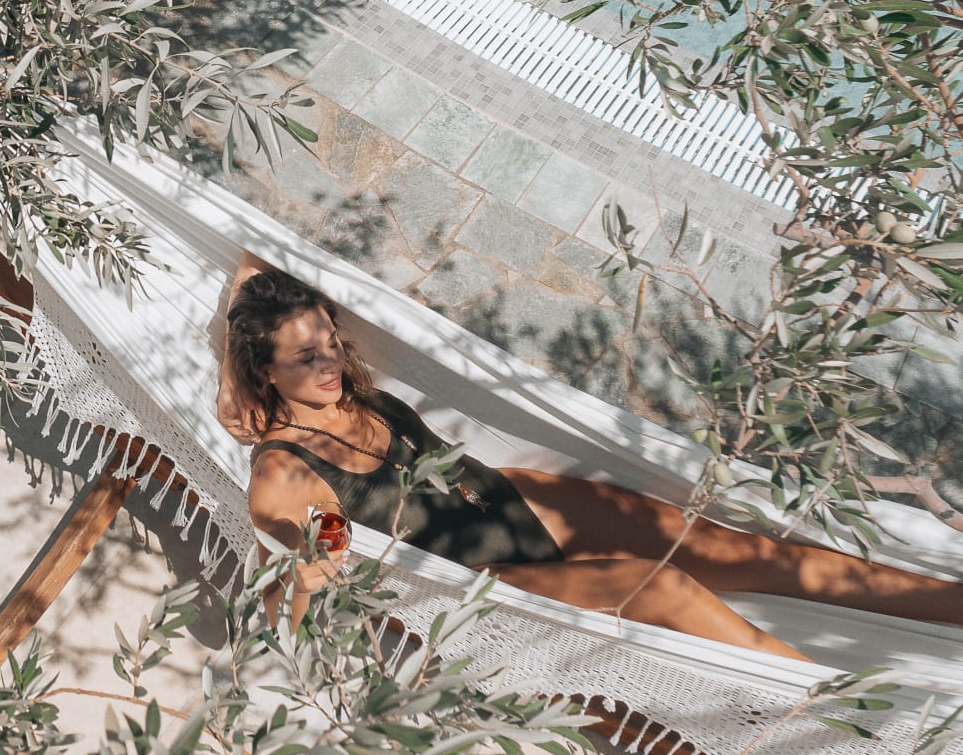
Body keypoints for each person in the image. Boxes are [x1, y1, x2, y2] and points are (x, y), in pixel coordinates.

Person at [218, 253, 963, 659]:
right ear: (268, 369)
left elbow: (250, 260)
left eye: (330, 342)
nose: (330, 364)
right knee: (661, 588)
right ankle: (838, 717)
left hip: (519, 500)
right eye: (305, 358)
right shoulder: (283, 468)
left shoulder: (321, 381)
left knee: (757, 554)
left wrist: (232, 375)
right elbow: (292, 581)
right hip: (488, 576)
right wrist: (313, 563)